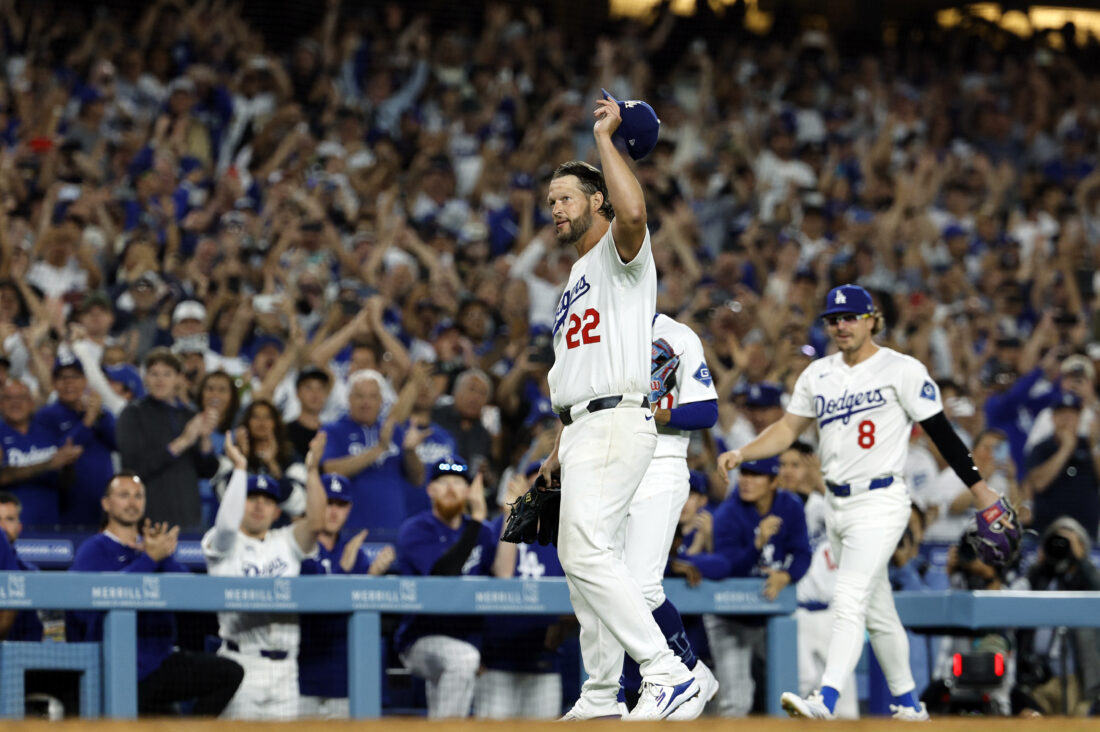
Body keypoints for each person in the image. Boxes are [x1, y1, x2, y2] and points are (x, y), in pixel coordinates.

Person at [718, 284, 1008, 721]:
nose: (841, 326)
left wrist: (981, 491)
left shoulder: (901, 369)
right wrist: (744, 453)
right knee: (878, 610)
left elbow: (942, 434)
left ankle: (826, 698)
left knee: (849, 597)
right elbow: (787, 429)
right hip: (837, 504)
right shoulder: (818, 374)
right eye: (834, 319)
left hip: (881, 500)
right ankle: (909, 704)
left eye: (850, 317)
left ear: (872, 320)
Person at [539, 96, 699, 722]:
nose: (556, 208)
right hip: (583, 425)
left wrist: (606, 141)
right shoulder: (575, 279)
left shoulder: (619, 255)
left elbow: (633, 211)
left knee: (584, 552)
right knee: (584, 566)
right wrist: (557, 449)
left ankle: (665, 671)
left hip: (615, 419)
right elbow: (576, 373)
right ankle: (602, 694)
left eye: (566, 198)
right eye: (551, 201)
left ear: (597, 200)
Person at [67, 473, 243, 715]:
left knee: (229, 673)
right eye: (124, 495)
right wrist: (149, 559)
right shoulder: (94, 549)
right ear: (106, 504)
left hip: (159, 662)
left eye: (138, 496)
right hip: (114, 666)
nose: (132, 502)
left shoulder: (152, 547)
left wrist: (163, 557)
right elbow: (91, 605)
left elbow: (193, 592)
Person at [618, 312, 720, 715]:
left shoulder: (675, 335)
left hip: (660, 463)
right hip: (613, 470)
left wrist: (656, 412)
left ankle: (690, 672)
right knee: (611, 588)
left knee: (643, 588)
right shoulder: (600, 331)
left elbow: (706, 411)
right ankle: (617, 694)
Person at [201, 430, 326, 720]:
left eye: (267, 500)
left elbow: (316, 523)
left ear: (276, 511)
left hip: (286, 670)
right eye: (251, 498)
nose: (259, 505)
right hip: (242, 661)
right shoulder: (223, 543)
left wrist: (312, 471)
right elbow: (228, 525)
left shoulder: (286, 541)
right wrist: (240, 468)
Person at [684, 457, 811, 716]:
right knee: (737, 701)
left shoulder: (790, 506)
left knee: (801, 682)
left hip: (772, 616)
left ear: (773, 481)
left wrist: (786, 576)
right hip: (730, 618)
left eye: (755, 475)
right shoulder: (728, 513)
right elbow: (727, 569)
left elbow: (803, 553)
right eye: (744, 473)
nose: (746, 480)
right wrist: (756, 545)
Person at [394, 456, 497, 718]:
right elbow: (442, 576)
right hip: (420, 638)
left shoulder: (484, 533)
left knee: (461, 665)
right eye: (443, 482)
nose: (451, 489)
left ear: (469, 490)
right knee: (463, 659)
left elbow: (501, 580)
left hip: (468, 639)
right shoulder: (416, 529)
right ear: (430, 490)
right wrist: (477, 519)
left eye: (458, 482)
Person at [298, 473, 396, 719]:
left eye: (341, 505)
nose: (334, 511)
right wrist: (344, 570)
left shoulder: (356, 554)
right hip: (302, 679)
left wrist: (371, 577)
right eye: (328, 503)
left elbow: (368, 620)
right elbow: (312, 613)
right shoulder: (300, 548)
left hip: (346, 681)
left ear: (349, 509)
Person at [476, 463, 568, 719]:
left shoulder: (567, 537)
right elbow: (495, 577)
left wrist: (563, 624)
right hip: (496, 660)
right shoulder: (495, 528)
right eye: (537, 483)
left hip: (544, 662)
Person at [116, 348, 219, 528]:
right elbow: (133, 468)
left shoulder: (189, 415)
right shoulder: (132, 414)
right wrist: (182, 442)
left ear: (179, 378)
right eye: (154, 374)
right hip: (150, 518)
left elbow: (207, 471)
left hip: (189, 518)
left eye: (167, 374)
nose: (160, 380)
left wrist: (204, 438)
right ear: (145, 378)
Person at [320, 369, 424, 537]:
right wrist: (379, 448)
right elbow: (330, 470)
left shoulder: (393, 430)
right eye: (359, 396)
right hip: (349, 531)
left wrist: (411, 452)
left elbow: (418, 478)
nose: (366, 402)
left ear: (381, 401)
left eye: (372, 396)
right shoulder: (333, 430)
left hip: (393, 530)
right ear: (349, 399)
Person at [35, 353, 117, 527]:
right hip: (67, 505)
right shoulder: (46, 416)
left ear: (85, 381)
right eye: (62, 378)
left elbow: (118, 443)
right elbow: (59, 452)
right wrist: (87, 421)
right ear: (53, 383)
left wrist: (100, 416)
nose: (69, 383)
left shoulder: (101, 412)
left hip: (104, 503)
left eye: (74, 377)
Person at [0, 379, 82, 527]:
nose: (15, 403)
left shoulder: (47, 433)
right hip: (10, 525)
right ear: (0, 404)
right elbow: (3, 476)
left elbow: (65, 484)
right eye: (8, 398)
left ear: (31, 403)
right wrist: (48, 464)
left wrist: (68, 463)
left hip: (50, 521)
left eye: (21, 398)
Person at [1024, 392, 1100, 538]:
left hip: (1085, 535)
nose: (1067, 419)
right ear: (1053, 418)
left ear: (1079, 418)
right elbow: (1039, 483)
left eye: (1072, 414)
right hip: (1046, 534)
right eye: (1062, 414)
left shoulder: (1090, 446)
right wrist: (1066, 449)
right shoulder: (1041, 448)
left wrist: (1095, 445)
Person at [0, 492, 44, 641]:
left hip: (20, 652)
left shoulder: (31, 574)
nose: (2, 527)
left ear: (19, 527)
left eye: (9, 519)